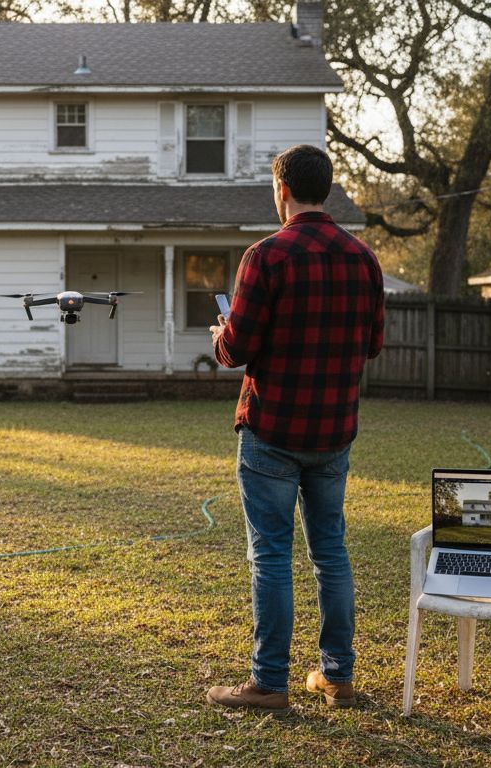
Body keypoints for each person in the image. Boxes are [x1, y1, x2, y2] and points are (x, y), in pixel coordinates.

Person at [205, 144, 385, 713]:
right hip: (333, 432)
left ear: (281, 190)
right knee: (331, 552)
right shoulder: (364, 259)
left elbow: (236, 350)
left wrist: (222, 332)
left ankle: (269, 682)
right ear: (324, 190)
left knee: (271, 555)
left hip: (273, 432)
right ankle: (338, 676)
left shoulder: (266, 256)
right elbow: (373, 344)